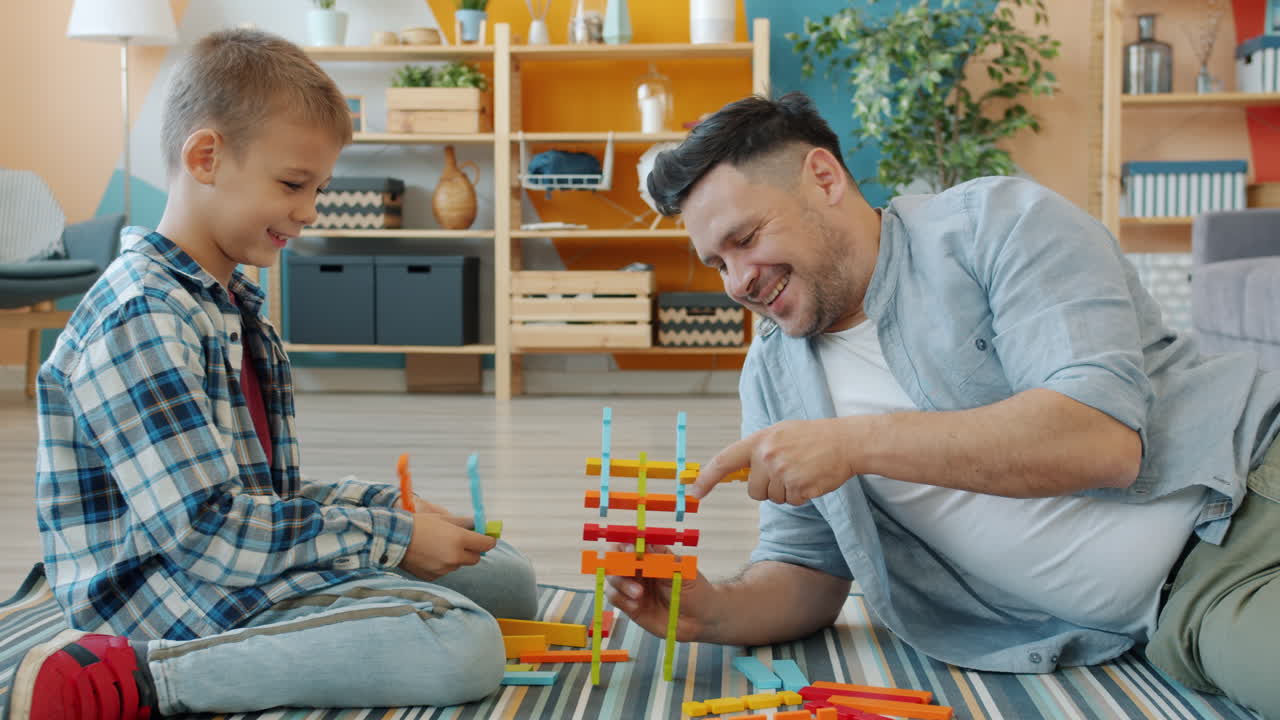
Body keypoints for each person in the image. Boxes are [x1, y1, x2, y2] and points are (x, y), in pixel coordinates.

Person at [605, 92, 1280, 716]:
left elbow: (1099, 440)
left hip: (1249, 497)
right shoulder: (774, 373)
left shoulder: (998, 224)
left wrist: (852, 444)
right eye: (717, 263)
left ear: (824, 178)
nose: (738, 283)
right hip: (1184, 610)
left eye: (746, 239)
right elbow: (809, 566)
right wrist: (709, 613)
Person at [9, 29, 536, 720]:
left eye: (318, 188)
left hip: (224, 555)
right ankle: (138, 678)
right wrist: (394, 539)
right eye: (293, 184)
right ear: (206, 157)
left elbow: (262, 495)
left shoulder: (231, 301)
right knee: (461, 643)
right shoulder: (142, 315)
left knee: (509, 583)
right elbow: (207, 533)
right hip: (160, 590)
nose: (309, 211)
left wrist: (387, 508)